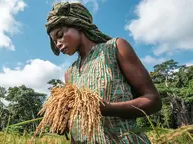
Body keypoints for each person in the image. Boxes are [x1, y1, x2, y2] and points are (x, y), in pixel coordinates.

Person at [45, 2, 162, 144]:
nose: (58, 44)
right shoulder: (70, 74)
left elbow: (153, 100)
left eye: (60, 35)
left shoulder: (115, 48)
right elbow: (77, 126)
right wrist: (63, 121)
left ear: (78, 25)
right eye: (54, 41)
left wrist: (108, 108)